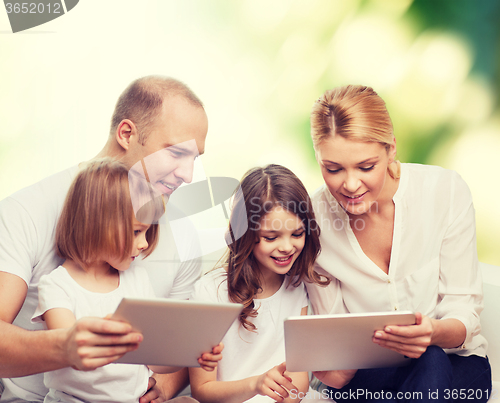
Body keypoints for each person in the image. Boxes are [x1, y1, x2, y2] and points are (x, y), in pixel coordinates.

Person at [0, 76, 208, 402]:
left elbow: (174, 344)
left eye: (194, 158)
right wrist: (66, 346)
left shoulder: (183, 235)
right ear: (127, 134)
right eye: (176, 153)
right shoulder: (26, 211)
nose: (188, 175)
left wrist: (164, 388)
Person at [306, 85, 492, 402]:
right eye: (333, 169)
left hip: (455, 363)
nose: (350, 185)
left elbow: (465, 311)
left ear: (391, 148)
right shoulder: (313, 221)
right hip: (372, 373)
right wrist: (330, 363)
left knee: (430, 358)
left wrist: (432, 333)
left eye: (366, 167)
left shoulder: (445, 191)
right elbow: (335, 348)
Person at [30, 158, 221, 403]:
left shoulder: (137, 279)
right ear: (96, 224)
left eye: (146, 231)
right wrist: (114, 338)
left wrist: (191, 355)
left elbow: (155, 361)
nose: (143, 244)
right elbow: (73, 354)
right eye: (135, 232)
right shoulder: (56, 286)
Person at [189, 164, 330, 403]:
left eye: (297, 234)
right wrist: (256, 384)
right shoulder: (210, 292)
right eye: (271, 237)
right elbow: (202, 389)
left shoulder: (297, 287)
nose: (287, 247)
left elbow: (299, 381)